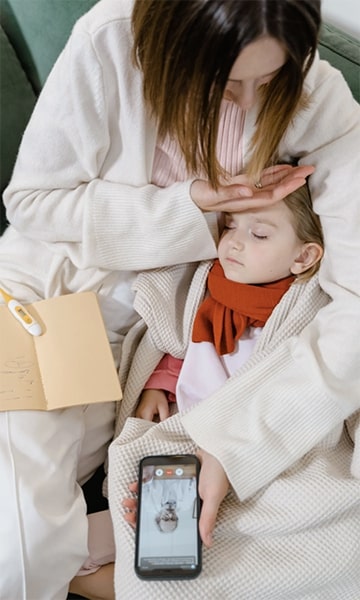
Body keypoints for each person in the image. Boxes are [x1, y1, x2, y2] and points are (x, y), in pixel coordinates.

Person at [0, 0, 358, 598]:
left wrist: (233, 440)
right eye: (226, 84)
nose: (249, 103)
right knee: (23, 542)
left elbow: (353, 304)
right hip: (56, 295)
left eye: (268, 82)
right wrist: (194, 202)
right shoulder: (110, 42)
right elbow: (32, 203)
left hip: (160, 327)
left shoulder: (321, 99)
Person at [136, 183, 324, 422]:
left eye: (259, 234)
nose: (234, 241)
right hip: (193, 417)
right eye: (229, 226)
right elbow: (183, 342)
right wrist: (159, 387)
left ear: (303, 256)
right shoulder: (206, 287)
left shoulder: (303, 312)